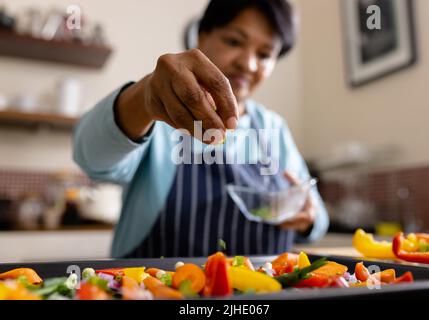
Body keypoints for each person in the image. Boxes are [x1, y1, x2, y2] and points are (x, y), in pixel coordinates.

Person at [73, 0, 329, 258]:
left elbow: (317, 216)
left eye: (264, 54)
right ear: (201, 37)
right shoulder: (160, 117)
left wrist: (308, 218)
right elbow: (91, 158)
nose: (249, 64)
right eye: (234, 41)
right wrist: (143, 99)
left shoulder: (273, 127)